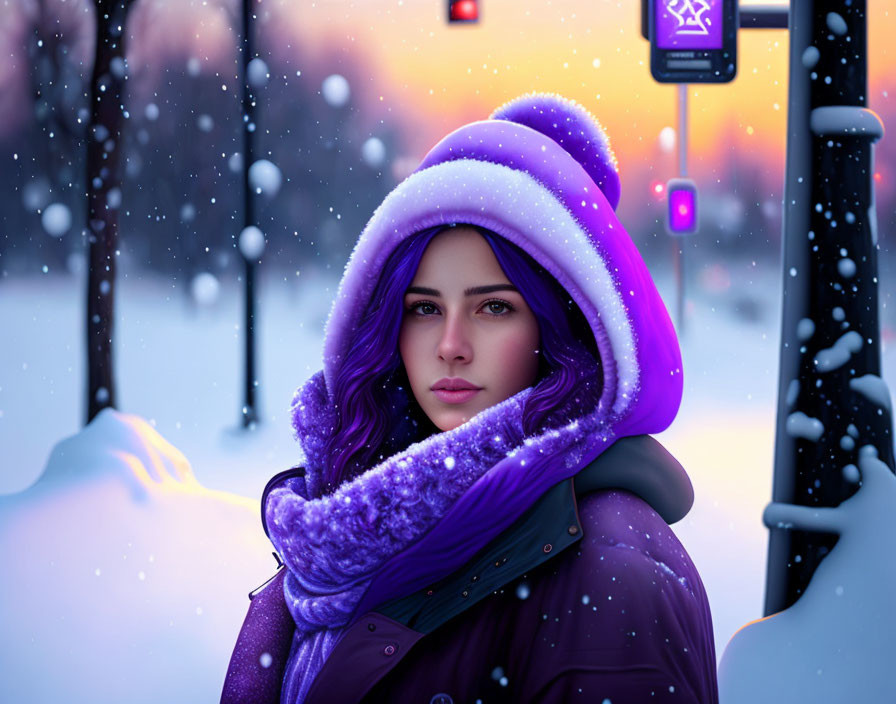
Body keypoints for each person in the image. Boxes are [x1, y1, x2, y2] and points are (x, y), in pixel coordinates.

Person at [224, 92, 718, 703]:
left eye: (493, 307)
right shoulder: (347, 527)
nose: (451, 346)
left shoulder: (614, 568)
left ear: (557, 328)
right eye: (425, 308)